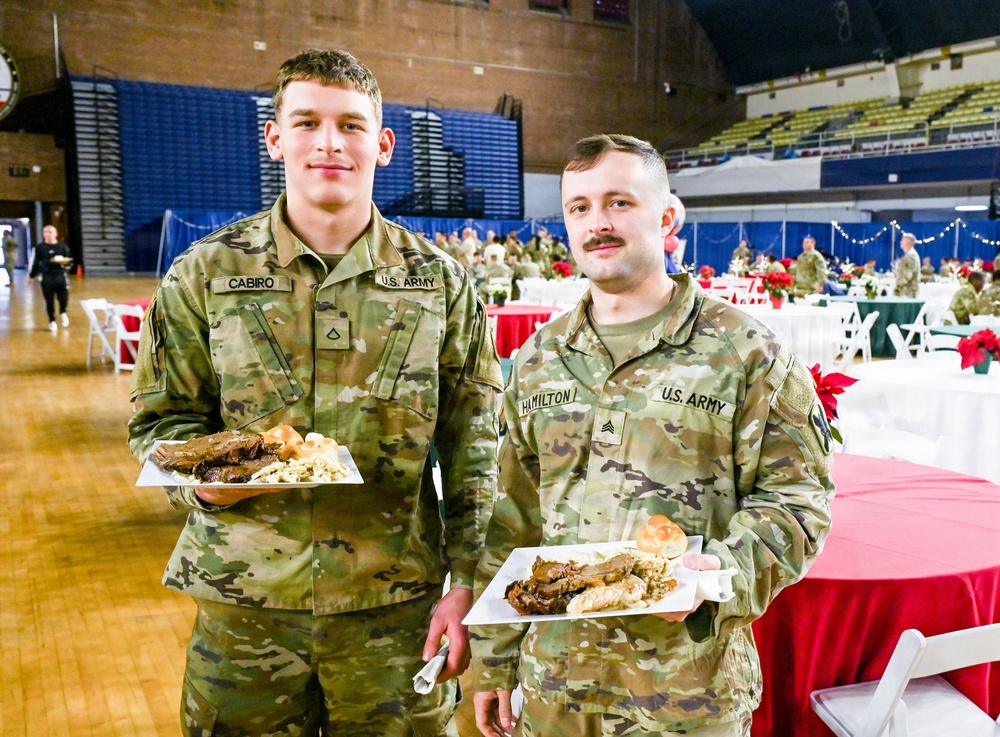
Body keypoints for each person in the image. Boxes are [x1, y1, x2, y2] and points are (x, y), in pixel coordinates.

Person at [127, 48, 503, 737]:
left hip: (395, 617)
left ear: (383, 145)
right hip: (244, 613)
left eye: (352, 126)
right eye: (306, 122)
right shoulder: (204, 275)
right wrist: (205, 485)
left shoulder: (442, 286)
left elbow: (477, 446)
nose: (329, 143)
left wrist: (468, 580)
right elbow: (159, 425)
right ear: (274, 137)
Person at [470, 134, 834, 737]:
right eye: (579, 208)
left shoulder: (745, 352)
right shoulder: (537, 358)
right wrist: (495, 655)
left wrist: (713, 572)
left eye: (619, 203)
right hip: (555, 690)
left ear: (666, 217)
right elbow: (512, 515)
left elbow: (798, 503)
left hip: (685, 693)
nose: (597, 224)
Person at [27, 224, 72, 332]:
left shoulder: (63, 247)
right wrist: (32, 276)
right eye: (45, 232)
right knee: (49, 300)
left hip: (60, 275)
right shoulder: (40, 247)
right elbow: (36, 262)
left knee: (63, 297)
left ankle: (63, 312)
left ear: (55, 234)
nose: (47, 234)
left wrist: (65, 263)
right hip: (47, 276)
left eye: (50, 232)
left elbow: (69, 262)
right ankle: (52, 320)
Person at [895, 232, 920, 298]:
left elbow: (907, 275)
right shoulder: (911, 254)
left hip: (907, 292)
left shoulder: (910, 256)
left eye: (902, 240)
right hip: (909, 290)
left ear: (907, 242)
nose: (900, 242)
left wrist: (898, 287)